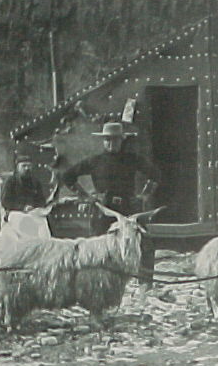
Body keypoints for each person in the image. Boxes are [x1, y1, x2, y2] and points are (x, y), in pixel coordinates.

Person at [62, 122, 160, 286]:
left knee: (145, 243)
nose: (111, 143)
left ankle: (145, 284)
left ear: (121, 141)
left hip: (128, 209)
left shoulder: (131, 159)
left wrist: (144, 195)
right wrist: (87, 197)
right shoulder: (95, 161)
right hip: (104, 210)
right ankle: (96, 282)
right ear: (103, 141)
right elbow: (68, 176)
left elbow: (155, 174)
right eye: (107, 140)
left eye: (115, 140)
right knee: (96, 246)